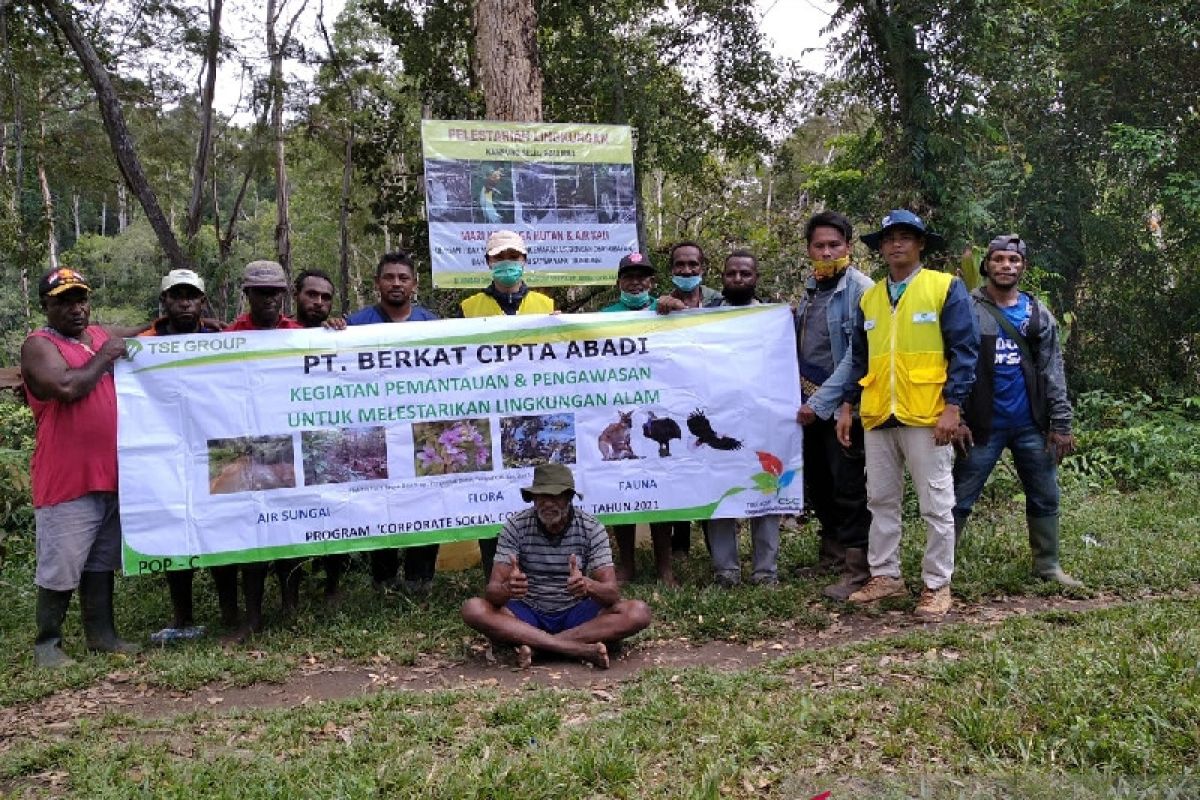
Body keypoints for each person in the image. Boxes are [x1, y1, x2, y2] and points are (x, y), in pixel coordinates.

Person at [836, 210, 978, 619]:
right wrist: (848, 407)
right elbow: (860, 359)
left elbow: (964, 352)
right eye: (889, 238)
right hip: (879, 415)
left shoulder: (944, 287)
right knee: (880, 499)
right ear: (880, 248)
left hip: (928, 414)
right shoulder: (870, 297)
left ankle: (937, 585)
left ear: (920, 244)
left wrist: (953, 407)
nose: (896, 244)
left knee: (936, 503)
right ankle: (886, 577)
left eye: (905, 237)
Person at [23, 267, 144, 667]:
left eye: (81, 300)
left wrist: (171, 325)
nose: (76, 309)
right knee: (62, 560)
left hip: (108, 472)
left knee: (100, 560)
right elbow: (66, 388)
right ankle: (48, 644)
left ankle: (102, 636)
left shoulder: (95, 336)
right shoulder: (39, 345)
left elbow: (135, 331)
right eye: (64, 302)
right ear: (47, 305)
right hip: (67, 475)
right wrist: (107, 356)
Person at [952, 235, 1081, 586]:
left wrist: (1061, 423)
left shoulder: (1037, 313)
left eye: (1013, 260)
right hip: (981, 425)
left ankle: (1048, 566)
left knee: (1045, 495)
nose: (1006, 266)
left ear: (1023, 266)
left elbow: (1053, 371)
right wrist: (957, 417)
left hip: (1030, 426)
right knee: (959, 498)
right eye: (998, 260)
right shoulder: (967, 307)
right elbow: (950, 364)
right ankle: (940, 570)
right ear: (986, 265)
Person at [460, 463, 651, 669]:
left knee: (638, 612)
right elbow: (492, 593)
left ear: (569, 498)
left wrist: (588, 585)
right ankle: (575, 649)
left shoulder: (591, 528)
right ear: (532, 498)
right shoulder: (516, 526)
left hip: (576, 614)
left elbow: (612, 594)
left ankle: (540, 649)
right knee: (474, 609)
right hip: (528, 614)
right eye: (542, 496)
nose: (548, 503)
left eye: (556, 496)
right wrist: (508, 589)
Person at [140, 269, 238, 642]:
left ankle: (231, 611)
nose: (184, 302)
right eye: (176, 295)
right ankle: (182, 617)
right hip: (166, 451)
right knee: (175, 532)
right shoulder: (144, 344)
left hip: (213, 447)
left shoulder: (221, 339)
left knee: (222, 531)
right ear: (164, 301)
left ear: (202, 301)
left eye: (191, 296)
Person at [459, 230, 554, 578]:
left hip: (534, 411)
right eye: (500, 258)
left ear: (524, 261)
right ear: (488, 263)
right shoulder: (467, 308)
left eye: (514, 257)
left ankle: (540, 569)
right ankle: (496, 572)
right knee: (492, 490)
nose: (507, 264)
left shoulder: (546, 305)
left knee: (536, 488)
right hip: (487, 411)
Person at [346, 252, 441, 595]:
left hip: (420, 430)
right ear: (377, 283)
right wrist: (330, 332)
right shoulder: (354, 326)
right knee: (379, 499)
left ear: (414, 284)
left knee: (425, 500)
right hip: (376, 429)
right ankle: (383, 578)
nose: (396, 283)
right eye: (389, 277)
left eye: (403, 277)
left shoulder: (434, 325)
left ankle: (420, 578)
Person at [793, 213, 875, 600]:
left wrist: (821, 401)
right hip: (807, 405)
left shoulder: (862, 290)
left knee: (848, 485)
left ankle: (858, 566)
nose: (826, 252)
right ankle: (832, 552)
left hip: (844, 406)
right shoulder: (811, 290)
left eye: (834, 245)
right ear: (809, 250)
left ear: (849, 247)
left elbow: (858, 355)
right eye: (819, 246)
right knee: (820, 482)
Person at [699, 251, 783, 586]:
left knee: (767, 488)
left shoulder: (773, 319)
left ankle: (766, 570)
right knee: (721, 491)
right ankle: (726, 570)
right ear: (722, 277)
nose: (738, 279)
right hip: (719, 418)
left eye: (745, 274)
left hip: (763, 419)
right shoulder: (703, 318)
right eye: (731, 273)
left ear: (756, 278)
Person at [598, 253, 676, 585]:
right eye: (629, 276)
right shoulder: (602, 317)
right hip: (618, 404)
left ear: (652, 282)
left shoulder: (666, 310)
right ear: (619, 282)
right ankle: (626, 564)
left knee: (659, 486)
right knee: (621, 489)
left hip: (658, 405)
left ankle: (665, 567)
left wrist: (678, 311)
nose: (636, 282)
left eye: (642, 276)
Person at [653, 241, 722, 555]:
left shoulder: (719, 302)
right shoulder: (659, 307)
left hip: (713, 397)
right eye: (680, 265)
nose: (686, 270)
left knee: (710, 462)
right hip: (672, 397)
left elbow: (747, 324)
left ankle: (715, 544)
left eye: (693, 265)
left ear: (703, 267)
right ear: (672, 270)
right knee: (677, 464)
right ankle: (679, 545)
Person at [226, 260, 303, 331]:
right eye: (260, 293)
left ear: (283, 293)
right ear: (247, 293)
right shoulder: (229, 336)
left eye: (274, 292)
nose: (268, 300)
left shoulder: (299, 335)